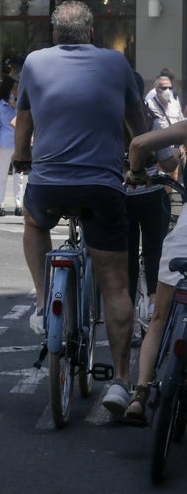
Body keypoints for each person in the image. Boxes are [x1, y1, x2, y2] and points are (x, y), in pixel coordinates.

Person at [13, 0, 149, 418]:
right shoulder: (116, 63)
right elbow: (136, 123)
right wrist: (141, 167)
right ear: (92, 34)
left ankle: (41, 300)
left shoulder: (34, 62)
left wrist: (22, 158)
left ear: (55, 36)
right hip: (102, 185)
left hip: (49, 183)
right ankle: (122, 383)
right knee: (115, 285)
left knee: (35, 221)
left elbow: (24, 122)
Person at [124, 120, 187, 425]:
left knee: (159, 317)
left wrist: (136, 172)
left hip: (184, 241)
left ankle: (140, 394)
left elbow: (138, 144)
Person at [127, 74, 182, 346]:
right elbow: (167, 158)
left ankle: (124, 322)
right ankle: (151, 309)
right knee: (154, 254)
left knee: (124, 260)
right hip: (150, 195)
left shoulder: (108, 119)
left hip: (119, 196)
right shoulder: (152, 119)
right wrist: (178, 154)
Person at [0, 76, 23, 216]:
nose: (16, 91)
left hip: (19, 143)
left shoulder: (20, 105)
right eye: (14, 88)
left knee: (19, 176)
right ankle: (0, 204)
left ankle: (18, 204)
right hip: (4, 144)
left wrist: (16, 106)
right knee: (2, 175)